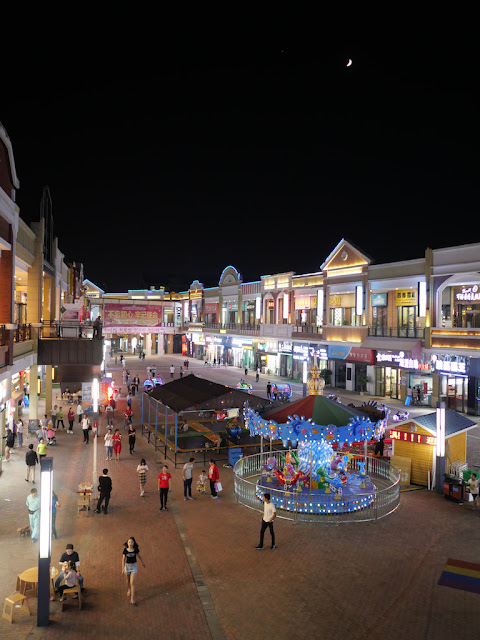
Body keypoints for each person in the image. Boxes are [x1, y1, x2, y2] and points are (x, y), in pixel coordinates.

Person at [122, 537, 145, 605]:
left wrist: (143, 562)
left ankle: (132, 599)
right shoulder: (125, 550)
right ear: (127, 543)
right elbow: (123, 559)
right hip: (127, 566)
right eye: (129, 542)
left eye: (132, 542)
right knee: (128, 580)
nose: (130, 543)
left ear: (134, 543)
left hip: (134, 566)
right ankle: (129, 589)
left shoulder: (135, 550)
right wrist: (123, 568)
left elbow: (139, 556)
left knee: (132, 582)